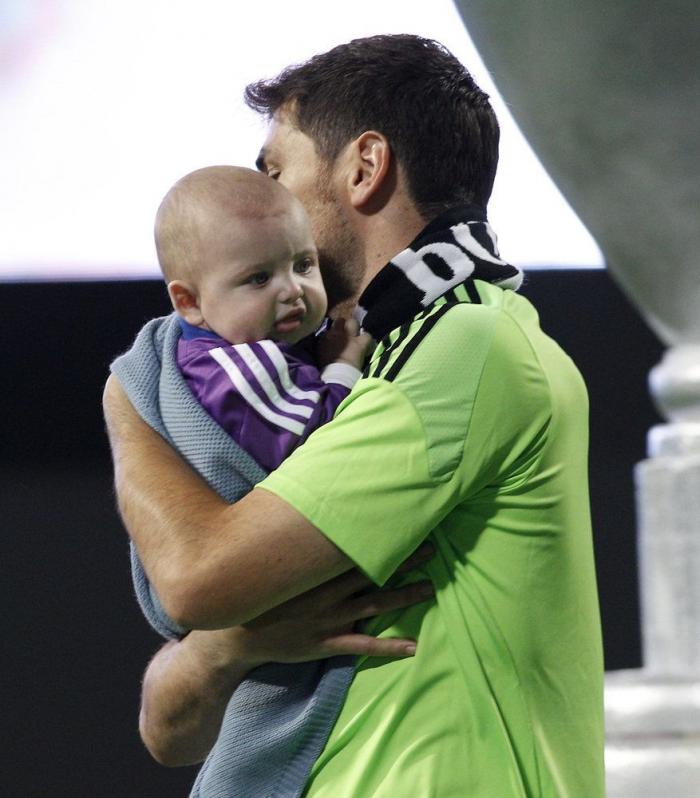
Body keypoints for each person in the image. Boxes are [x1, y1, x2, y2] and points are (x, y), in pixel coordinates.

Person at [104, 33, 605, 797]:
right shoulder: (339, 365)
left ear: (365, 167)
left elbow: (194, 581)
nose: (263, 200)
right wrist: (228, 649)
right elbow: (167, 731)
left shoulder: (469, 346)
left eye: (276, 170)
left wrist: (128, 397)